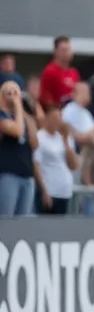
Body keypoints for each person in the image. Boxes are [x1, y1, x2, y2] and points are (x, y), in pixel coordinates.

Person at [0, 80, 38, 217]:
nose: (12, 95)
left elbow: (35, 143)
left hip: (27, 175)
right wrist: (17, 107)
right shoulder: (1, 116)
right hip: (8, 174)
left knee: (23, 223)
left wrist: (22, 110)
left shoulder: (22, 116)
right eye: (8, 92)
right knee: (6, 218)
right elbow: (17, 131)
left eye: (15, 92)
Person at [33, 103, 79, 215]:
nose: (57, 121)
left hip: (64, 191)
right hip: (49, 190)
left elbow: (73, 165)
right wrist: (43, 190)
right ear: (47, 118)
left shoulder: (65, 138)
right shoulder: (40, 137)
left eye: (59, 118)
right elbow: (36, 165)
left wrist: (66, 141)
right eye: (54, 118)